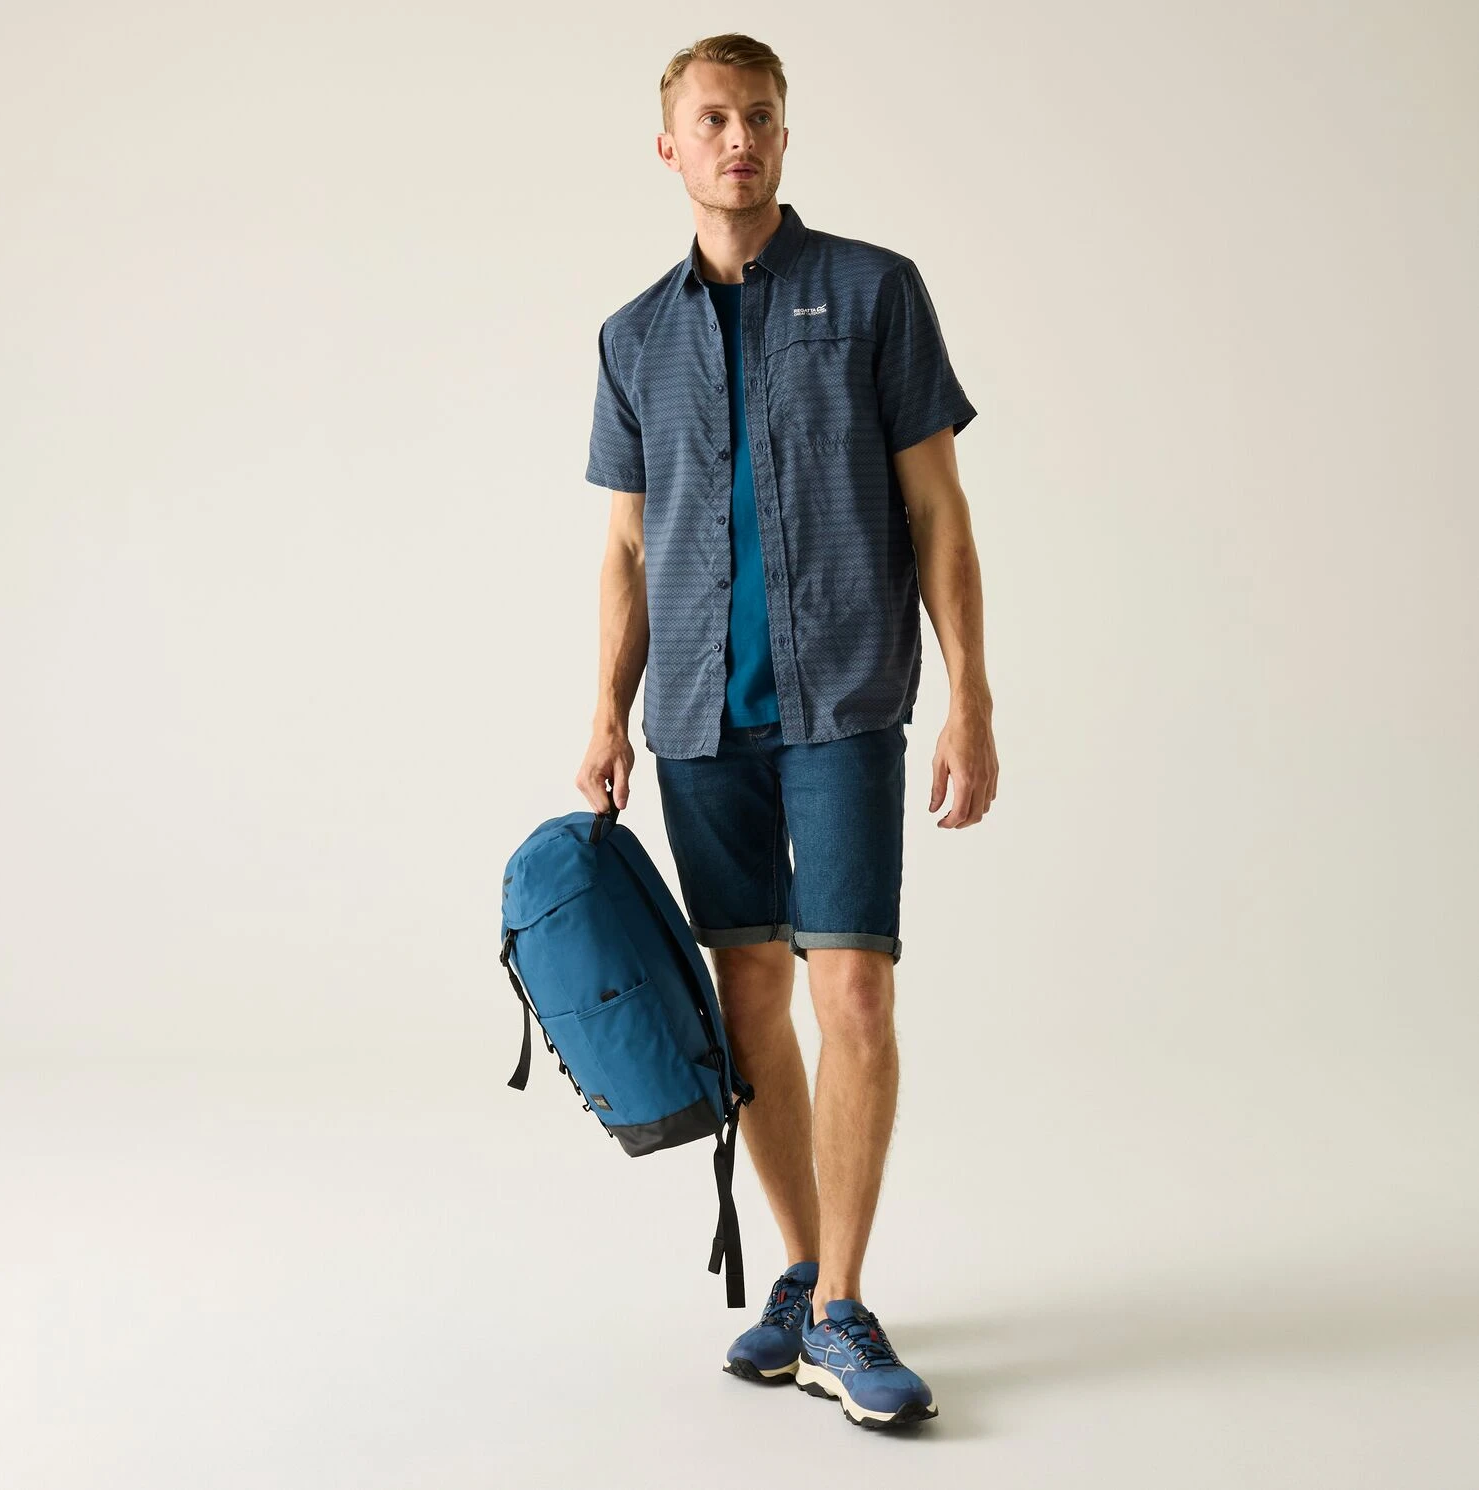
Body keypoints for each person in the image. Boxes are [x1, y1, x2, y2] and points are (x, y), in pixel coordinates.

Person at [576, 32, 998, 1432]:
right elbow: (626, 550)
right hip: (698, 721)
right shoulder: (631, 338)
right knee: (747, 999)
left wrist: (970, 698)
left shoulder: (874, 293)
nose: (737, 138)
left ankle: (842, 1307)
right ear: (670, 146)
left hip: (844, 703)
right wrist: (605, 712)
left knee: (854, 993)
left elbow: (938, 511)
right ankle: (807, 1272)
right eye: (712, 119)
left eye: (758, 116)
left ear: (783, 136)